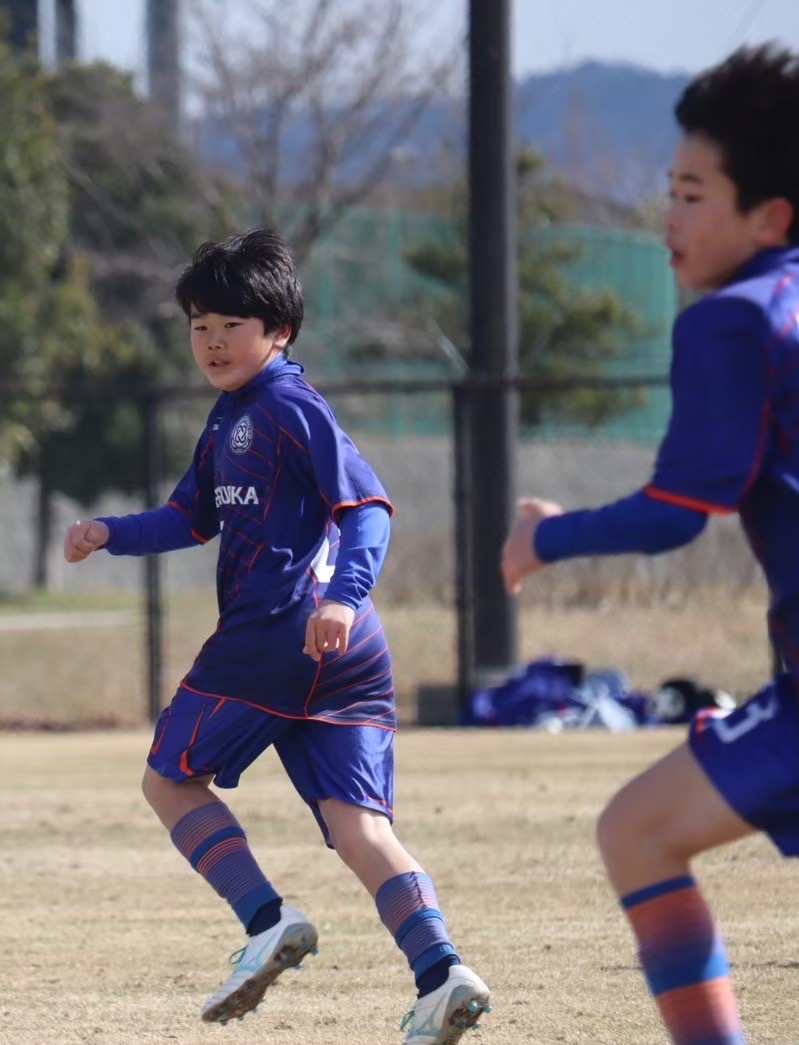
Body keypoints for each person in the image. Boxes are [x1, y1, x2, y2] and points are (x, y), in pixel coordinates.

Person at [66, 229, 489, 1044]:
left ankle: (266, 919)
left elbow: (367, 508)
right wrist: (109, 532)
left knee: (168, 781)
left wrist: (343, 597)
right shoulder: (229, 415)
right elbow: (188, 518)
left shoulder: (288, 407)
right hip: (343, 654)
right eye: (199, 325)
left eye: (232, 324)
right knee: (359, 827)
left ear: (280, 331)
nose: (212, 341)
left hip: (278, 635)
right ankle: (441, 972)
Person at [501, 43, 799, 1045]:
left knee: (636, 832)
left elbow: (676, 508)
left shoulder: (734, 322)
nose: (666, 217)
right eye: (667, 191)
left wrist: (545, 537)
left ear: (770, 218)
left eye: (691, 194)